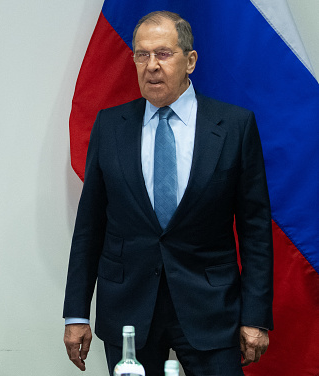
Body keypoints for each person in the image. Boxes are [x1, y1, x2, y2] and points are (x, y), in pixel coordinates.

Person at [63, 11, 273, 376]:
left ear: (190, 60)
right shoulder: (110, 126)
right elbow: (89, 228)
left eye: (163, 53)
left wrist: (255, 316)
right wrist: (77, 312)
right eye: (142, 55)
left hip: (211, 309)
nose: (151, 66)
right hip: (129, 310)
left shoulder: (235, 127)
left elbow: (255, 230)